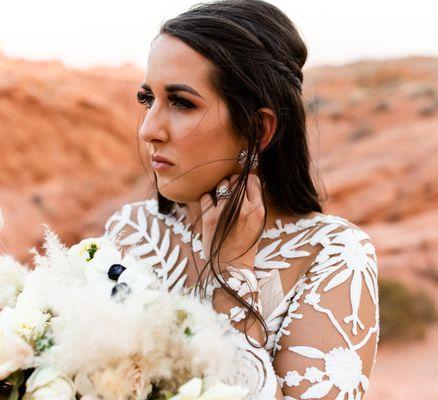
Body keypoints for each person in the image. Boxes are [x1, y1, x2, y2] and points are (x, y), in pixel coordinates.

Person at [104, 1, 379, 398]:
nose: (149, 129)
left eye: (181, 102)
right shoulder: (131, 229)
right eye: (148, 99)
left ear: (258, 128)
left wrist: (233, 273)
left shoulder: (333, 255)